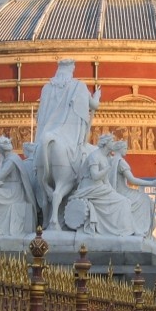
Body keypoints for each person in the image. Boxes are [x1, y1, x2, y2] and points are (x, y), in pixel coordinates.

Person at [33, 59, 101, 229]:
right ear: (71, 70)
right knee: (83, 157)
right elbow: (94, 105)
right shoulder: (78, 86)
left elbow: (40, 115)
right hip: (69, 137)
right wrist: (96, 97)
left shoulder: (47, 88)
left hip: (45, 136)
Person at [64, 133, 136, 236]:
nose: (113, 143)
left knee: (124, 201)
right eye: (111, 141)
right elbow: (95, 176)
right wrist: (108, 168)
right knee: (122, 203)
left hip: (100, 188)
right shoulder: (95, 156)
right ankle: (118, 231)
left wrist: (113, 192)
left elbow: (105, 180)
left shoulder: (105, 157)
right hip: (90, 188)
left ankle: (122, 230)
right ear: (106, 143)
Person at [108, 139, 156, 237]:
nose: (126, 150)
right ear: (120, 149)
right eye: (125, 148)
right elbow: (132, 180)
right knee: (145, 199)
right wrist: (152, 183)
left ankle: (142, 230)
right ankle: (142, 230)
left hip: (115, 191)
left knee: (144, 199)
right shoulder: (121, 162)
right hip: (122, 192)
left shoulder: (111, 160)